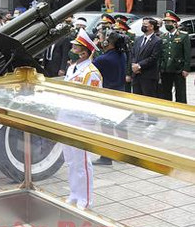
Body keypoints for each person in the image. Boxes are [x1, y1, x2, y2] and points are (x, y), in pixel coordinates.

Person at [63, 29, 103, 209]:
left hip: (81, 121)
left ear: (84, 51)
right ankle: (74, 193)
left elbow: (94, 101)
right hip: (67, 118)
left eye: (75, 46)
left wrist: (89, 125)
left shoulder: (91, 72)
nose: (72, 48)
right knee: (70, 160)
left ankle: (85, 198)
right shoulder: (73, 68)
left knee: (82, 162)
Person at [92, 29, 128, 166]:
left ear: (108, 42)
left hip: (108, 95)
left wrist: (94, 49)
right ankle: (124, 154)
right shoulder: (121, 54)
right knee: (120, 125)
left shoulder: (103, 59)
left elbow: (91, 66)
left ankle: (106, 157)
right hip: (119, 92)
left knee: (106, 126)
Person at [130, 17, 162, 117]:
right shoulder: (139, 39)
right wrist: (134, 65)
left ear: (151, 27)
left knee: (149, 99)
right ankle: (138, 117)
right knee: (137, 98)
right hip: (136, 75)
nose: (143, 26)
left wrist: (139, 66)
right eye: (142, 24)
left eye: (145, 24)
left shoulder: (157, 41)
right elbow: (133, 53)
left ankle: (151, 119)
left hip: (148, 75)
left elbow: (153, 58)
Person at [159, 10, 190, 104]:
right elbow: (162, 54)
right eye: (165, 22)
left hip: (178, 69)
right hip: (166, 69)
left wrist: (186, 69)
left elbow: (187, 53)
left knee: (180, 93)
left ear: (175, 23)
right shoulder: (163, 36)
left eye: (168, 22)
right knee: (166, 92)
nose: (166, 24)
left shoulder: (183, 36)